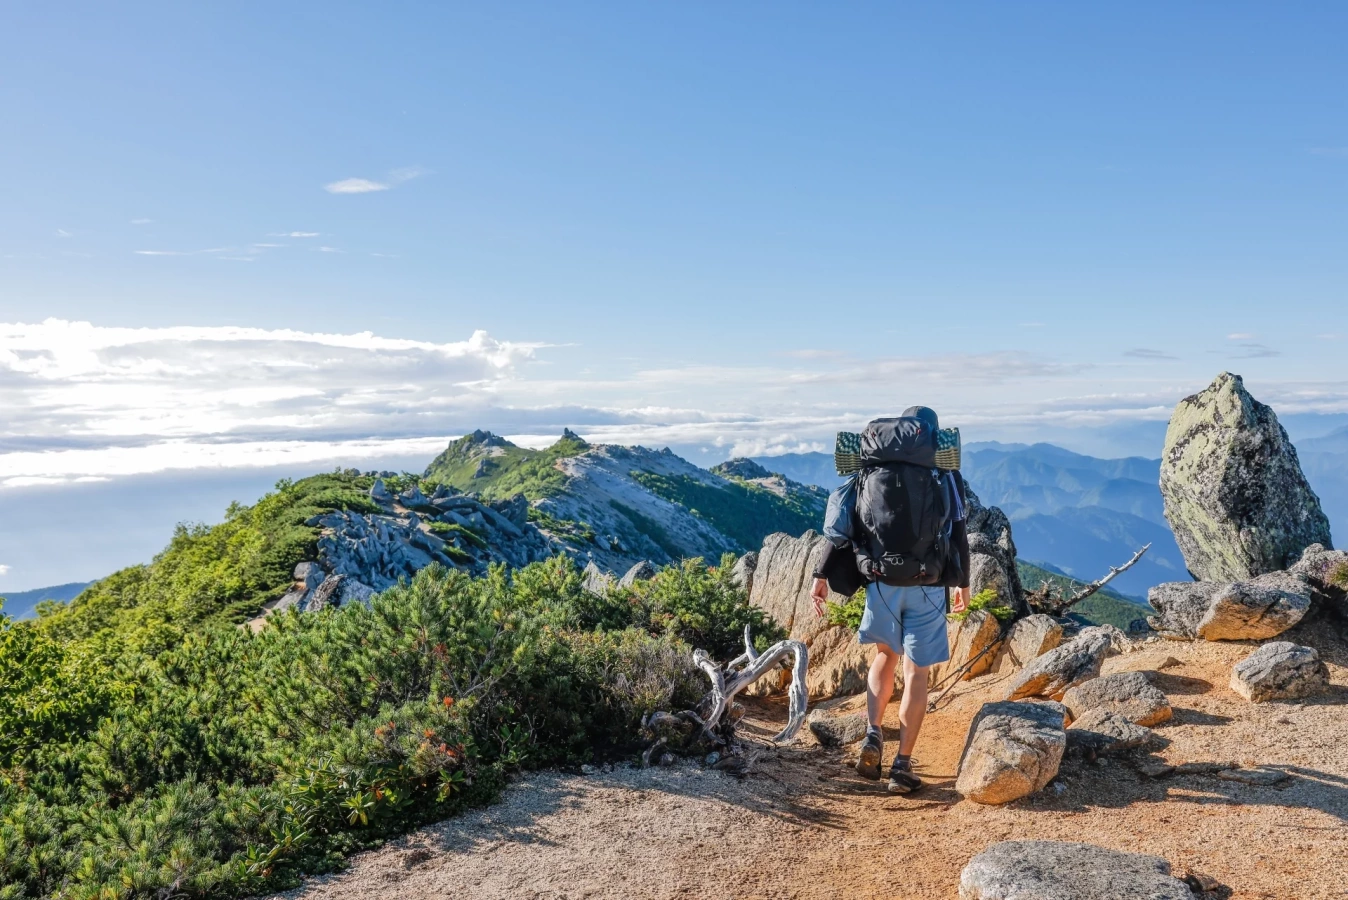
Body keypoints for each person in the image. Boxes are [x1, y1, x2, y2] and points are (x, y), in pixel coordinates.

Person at [810, 406, 971, 794]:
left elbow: (840, 527)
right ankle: (902, 765)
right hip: (927, 584)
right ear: (931, 436)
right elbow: (957, 531)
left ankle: (872, 733)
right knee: (917, 673)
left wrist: (820, 575)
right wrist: (961, 581)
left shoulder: (867, 471)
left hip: (880, 581)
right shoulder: (943, 473)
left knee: (885, 656)